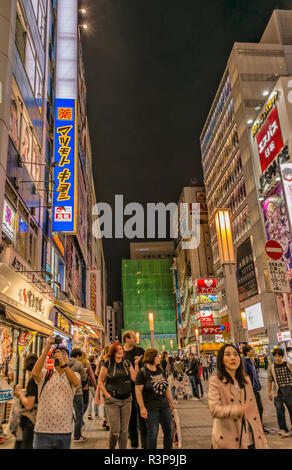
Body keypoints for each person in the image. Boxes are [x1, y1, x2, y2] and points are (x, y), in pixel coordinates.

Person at [208, 344, 268, 449]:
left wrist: (263, 443)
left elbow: (256, 415)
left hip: (251, 439)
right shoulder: (216, 381)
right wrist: (238, 409)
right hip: (229, 440)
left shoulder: (246, 381)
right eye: (227, 354)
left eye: (235, 354)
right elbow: (214, 409)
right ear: (221, 360)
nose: (233, 358)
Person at [31, 336, 80, 449]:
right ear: (52, 359)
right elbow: (34, 373)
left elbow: (76, 383)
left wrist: (63, 364)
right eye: (57, 355)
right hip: (42, 431)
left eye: (64, 355)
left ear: (68, 359)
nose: (60, 357)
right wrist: (47, 348)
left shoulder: (72, 376)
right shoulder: (45, 375)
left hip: (64, 431)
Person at [98, 342, 139, 449]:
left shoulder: (127, 363)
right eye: (118, 349)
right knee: (115, 430)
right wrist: (107, 395)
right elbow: (100, 381)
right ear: (113, 352)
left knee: (124, 430)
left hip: (126, 400)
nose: (120, 351)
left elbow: (134, 378)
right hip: (112, 400)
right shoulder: (108, 363)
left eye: (121, 349)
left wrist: (136, 364)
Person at [135, 348, 175, 449]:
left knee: (169, 431)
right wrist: (142, 407)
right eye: (157, 356)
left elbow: (166, 388)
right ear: (151, 357)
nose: (158, 357)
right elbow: (138, 391)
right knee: (152, 434)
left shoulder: (160, 369)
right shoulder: (142, 373)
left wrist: (171, 402)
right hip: (151, 408)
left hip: (164, 406)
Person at [123, 330, 146, 449]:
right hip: (127, 390)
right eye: (132, 337)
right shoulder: (121, 353)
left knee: (142, 417)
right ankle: (134, 444)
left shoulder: (140, 351)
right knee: (131, 419)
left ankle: (145, 444)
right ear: (126, 339)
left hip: (140, 389)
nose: (135, 339)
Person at [14, 353, 38, 449]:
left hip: (29, 422)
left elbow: (29, 405)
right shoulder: (39, 379)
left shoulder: (33, 381)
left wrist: (19, 393)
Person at [268, 347, 292, 437]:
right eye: (275, 356)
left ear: (282, 356)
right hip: (278, 393)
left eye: (279, 356)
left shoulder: (288, 365)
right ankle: (283, 429)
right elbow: (270, 380)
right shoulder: (271, 367)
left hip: (289, 392)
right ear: (273, 356)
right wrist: (269, 392)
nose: (277, 358)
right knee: (280, 412)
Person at [69, 348, 88, 442]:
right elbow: (84, 378)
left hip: (67, 392)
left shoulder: (66, 363)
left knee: (69, 413)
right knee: (79, 414)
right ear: (78, 356)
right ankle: (77, 435)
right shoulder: (79, 364)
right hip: (77, 392)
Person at [242, 345, 264, 423]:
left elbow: (255, 375)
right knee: (255, 408)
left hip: (255, 388)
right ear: (247, 352)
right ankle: (256, 426)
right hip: (250, 389)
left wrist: (258, 384)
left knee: (260, 408)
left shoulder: (251, 360)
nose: (253, 351)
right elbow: (245, 376)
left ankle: (259, 425)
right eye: (252, 350)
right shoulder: (244, 361)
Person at [95, 346, 110, 429]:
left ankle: (104, 419)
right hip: (108, 383)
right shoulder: (109, 360)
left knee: (105, 402)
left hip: (101, 383)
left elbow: (96, 372)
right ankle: (108, 422)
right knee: (108, 402)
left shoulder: (100, 360)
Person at [87, 355, 98, 420]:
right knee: (96, 400)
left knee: (89, 401)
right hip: (95, 385)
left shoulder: (87, 367)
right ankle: (96, 413)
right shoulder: (96, 367)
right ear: (93, 360)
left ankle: (89, 414)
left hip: (89, 386)